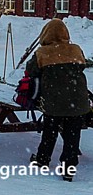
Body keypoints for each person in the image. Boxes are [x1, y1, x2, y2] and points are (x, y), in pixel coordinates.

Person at [27, 19, 90, 181]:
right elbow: (81, 66)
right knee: (72, 135)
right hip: (78, 101)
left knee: (50, 131)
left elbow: (31, 70)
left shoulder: (42, 53)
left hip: (53, 101)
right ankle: (69, 167)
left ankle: (42, 159)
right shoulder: (76, 50)